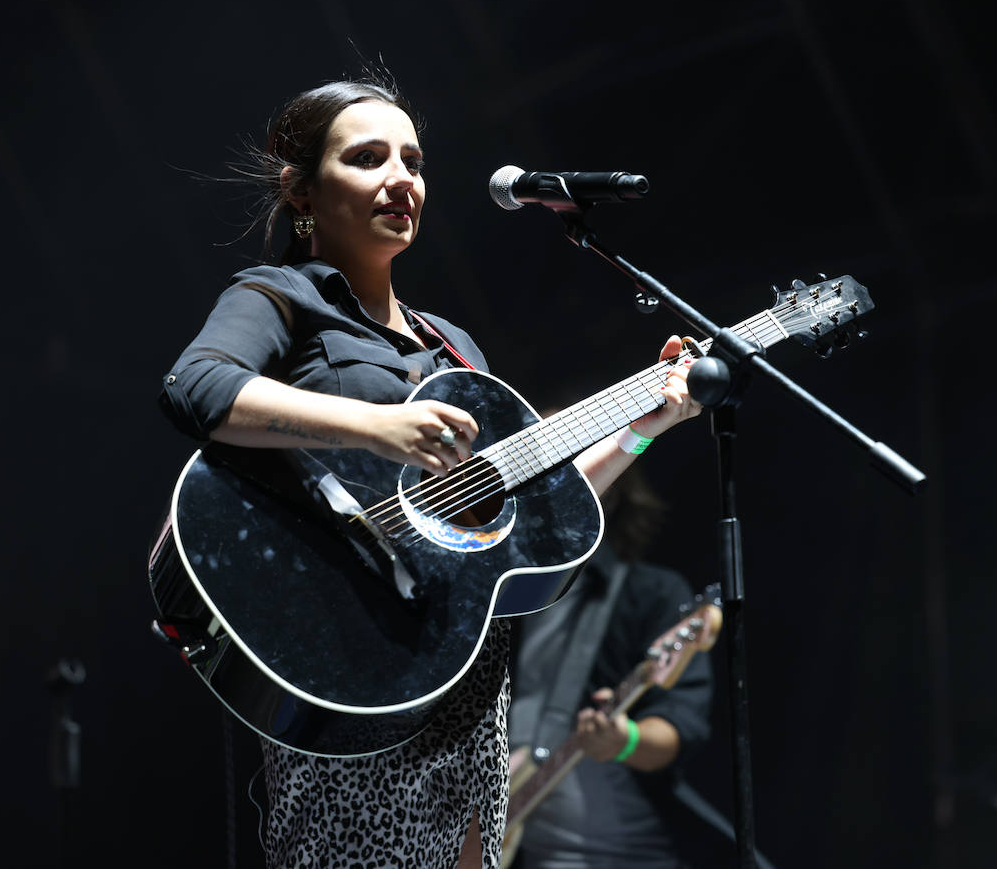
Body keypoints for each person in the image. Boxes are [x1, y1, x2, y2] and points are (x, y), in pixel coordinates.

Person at [156, 70, 704, 869]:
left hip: (466, 686)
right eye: (369, 158)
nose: (401, 180)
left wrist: (643, 430)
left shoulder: (453, 348)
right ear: (301, 190)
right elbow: (195, 387)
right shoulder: (280, 294)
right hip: (356, 670)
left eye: (413, 161)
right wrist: (378, 426)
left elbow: (518, 523)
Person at [507, 464, 775, 869]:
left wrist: (623, 739)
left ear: (606, 493)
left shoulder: (651, 594)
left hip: (627, 853)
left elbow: (677, 727)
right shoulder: (502, 596)